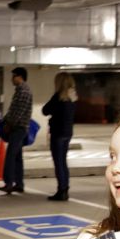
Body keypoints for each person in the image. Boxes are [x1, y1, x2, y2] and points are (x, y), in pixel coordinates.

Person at [42, 72, 77, 201]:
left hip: (57, 133)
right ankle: (65, 188)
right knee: (63, 161)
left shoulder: (58, 97)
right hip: (68, 132)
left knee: (59, 162)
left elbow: (45, 110)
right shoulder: (72, 97)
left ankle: (61, 190)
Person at [0, 67, 32, 195]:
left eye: (13, 76)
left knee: (11, 156)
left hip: (18, 128)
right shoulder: (20, 90)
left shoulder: (23, 91)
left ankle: (8, 183)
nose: (12, 79)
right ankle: (19, 184)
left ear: (20, 77)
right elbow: (13, 110)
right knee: (17, 157)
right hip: (19, 127)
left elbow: (18, 112)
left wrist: (9, 124)